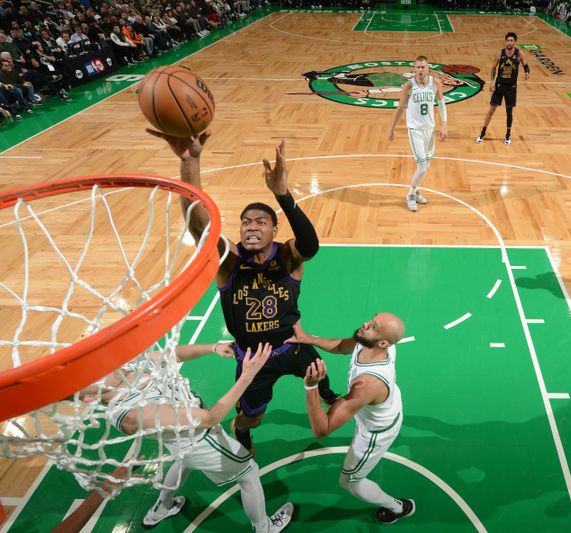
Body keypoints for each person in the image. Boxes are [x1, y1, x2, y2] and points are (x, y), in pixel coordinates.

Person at [146, 130, 338, 457]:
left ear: (274, 230)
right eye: (246, 222)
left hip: (292, 344)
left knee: (319, 370)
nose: (251, 226)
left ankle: (327, 392)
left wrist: (283, 195)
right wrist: (190, 163)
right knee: (252, 417)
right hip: (253, 359)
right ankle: (241, 429)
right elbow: (199, 225)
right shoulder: (229, 261)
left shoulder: (287, 257)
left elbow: (311, 245)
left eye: (261, 222)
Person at [76, 342, 294, 532]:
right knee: (249, 474)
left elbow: (175, 355)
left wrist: (213, 347)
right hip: (201, 440)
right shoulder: (132, 414)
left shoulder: (127, 369)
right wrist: (248, 376)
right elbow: (209, 418)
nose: (98, 369)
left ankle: (162, 507)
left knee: (182, 462)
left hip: (180, 440)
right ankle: (264, 528)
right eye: (89, 377)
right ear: (88, 399)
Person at [287, 315, 414, 524]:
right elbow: (340, 346)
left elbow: (322, 430)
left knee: (351, 482)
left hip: (376, 431)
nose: (365, 324)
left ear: (383, 343)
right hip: (381, 407)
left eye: (373, 326)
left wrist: (311, 386)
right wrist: (306, 337)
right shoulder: (372, 343)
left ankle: (398, 508)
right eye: (371, 319)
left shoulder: (368, 384)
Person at [387, 55, 448, 213]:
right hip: (415, 130)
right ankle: (410, 195)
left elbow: (441, 103)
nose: (421, 70)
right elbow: (400, 108)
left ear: (428, 68)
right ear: (414, 69)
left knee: (426, 166)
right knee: (421, 167)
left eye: (423, 67)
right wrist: (392, 127)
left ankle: (416, 190)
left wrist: (445, 124)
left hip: (430, 129)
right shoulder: (408, 85)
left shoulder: (435, 83)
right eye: (418, 67)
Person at [475, 32, 530, 145]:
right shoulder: (499, 53)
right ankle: (483, 132)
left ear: (514, 42)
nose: (509, 42)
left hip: (511, 88)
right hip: (499, 86)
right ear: (505, 41)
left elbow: (526, 65)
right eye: (508, 40)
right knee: (491, 110)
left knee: (509, 112)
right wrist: (491, 82)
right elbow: (493, 68)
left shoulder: (519, 53)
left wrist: (527, 72)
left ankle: (508, 135)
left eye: (511, 40)